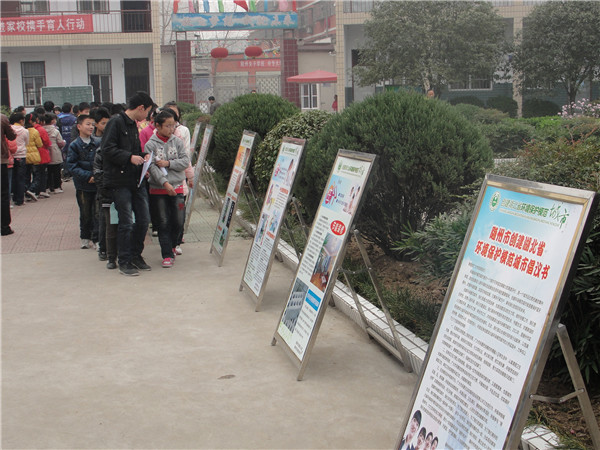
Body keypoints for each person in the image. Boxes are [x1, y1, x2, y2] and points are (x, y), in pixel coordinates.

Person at [102, 91, 155, 276]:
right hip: (120, 181)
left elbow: (134, 150)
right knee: (126, 222)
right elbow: (107, 149)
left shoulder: (133, 125)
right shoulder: (116, 122)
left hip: (136, 180)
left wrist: (143, 156)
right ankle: (124, 261)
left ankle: (135, 255)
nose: (146, 116)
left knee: (144, 219)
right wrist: (129, 157)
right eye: (147, 111)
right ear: (141, 108)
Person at [146, 109, 190, 268]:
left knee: (179, 220)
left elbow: (185, 161)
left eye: (173, 125)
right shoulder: (150, 145)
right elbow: (152, 167)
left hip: (177, 188)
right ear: (157, 126)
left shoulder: (177, 141)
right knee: (163, 222)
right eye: (168, 126)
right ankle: (167, 254)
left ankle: (173, 244)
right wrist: (165, 183)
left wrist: (168, 163)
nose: (171, 129)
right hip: (158, 190)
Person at [67, 114, 100, 249]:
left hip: (97, 183)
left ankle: (97, 239)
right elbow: (72, 166)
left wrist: (97, 175)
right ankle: (85, 236)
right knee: (85, 212)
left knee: (97, 213)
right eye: (88, 124)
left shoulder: (97, 142)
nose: (91, 127)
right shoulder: (75, 145)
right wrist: (87, 176)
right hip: (83, 185)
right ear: (79, 126)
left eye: (92, 124)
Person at [1, 113, 17, 235]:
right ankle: (4, 226)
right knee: (3, 194)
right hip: (1, 160)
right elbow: (11, 136)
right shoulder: (2, 118)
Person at [9, 112, 29, 207]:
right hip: (21, 155)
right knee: (20, 178)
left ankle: (13, 197)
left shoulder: (9, 129)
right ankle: (20, 199)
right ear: (21, 120)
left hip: (11, 155)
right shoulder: (24, 131)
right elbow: (26, 142)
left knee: (12, 178)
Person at [43, 113, 66, 194]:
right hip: (55, 152)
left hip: (45, 152)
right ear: (52, 121)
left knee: (48, 172)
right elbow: (60, 142)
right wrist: (64, 143)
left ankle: (48, 187)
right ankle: (57, 187)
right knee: (56, 171)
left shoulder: (41, 130)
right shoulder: (55, 131)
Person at [31, 112, 52, 198]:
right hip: (42, 153)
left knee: (35, 173)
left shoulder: (30, 129)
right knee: (42, 173)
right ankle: (41, 190)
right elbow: (47, 142)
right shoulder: (41, 130)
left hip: (33, 154)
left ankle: (35, 190)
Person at [24, 113, 43, 202]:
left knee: (26, 175)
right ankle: (31, 190)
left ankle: (27, 192)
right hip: (34, 156)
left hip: (24, 155)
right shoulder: (35, 131)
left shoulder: (23, 130)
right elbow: (39, 144)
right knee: (36, 175)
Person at [58, 102, 76, 178]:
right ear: (70, 109)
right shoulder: (74, 118)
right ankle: (70, 171)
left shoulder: (58, 118)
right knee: (71, 156)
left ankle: (65, 171)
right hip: (72, 139)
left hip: (62, 140)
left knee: (63, 156)